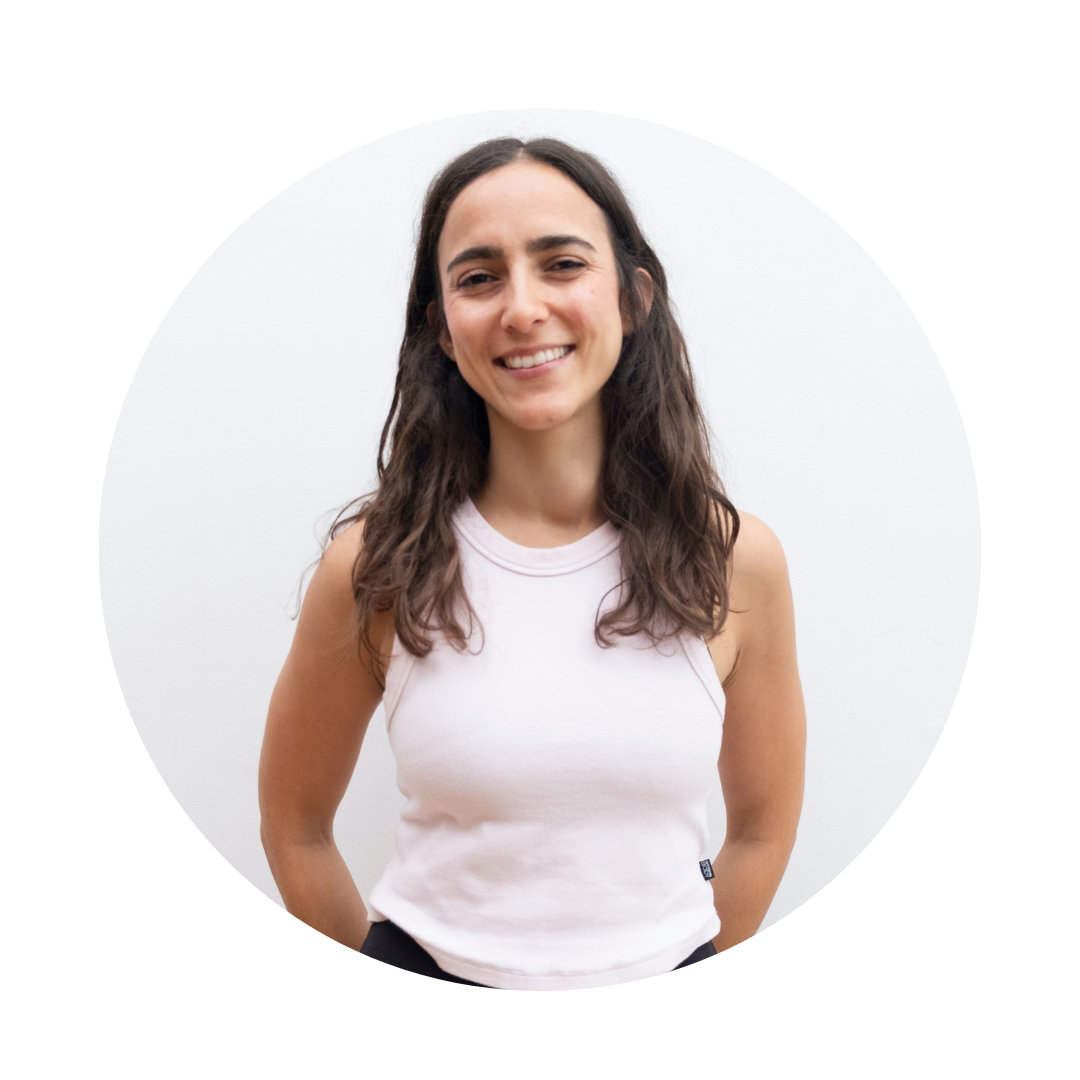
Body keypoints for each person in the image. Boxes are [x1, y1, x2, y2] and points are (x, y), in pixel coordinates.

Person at [258, 137, 806, 991]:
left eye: (562, 264)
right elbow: (295, 828)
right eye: (479, 277)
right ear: (443, 329)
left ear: (634, 296)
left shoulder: (736, 563)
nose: (522, 308)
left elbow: (763, 830)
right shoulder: (374, 567)